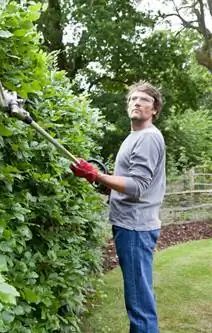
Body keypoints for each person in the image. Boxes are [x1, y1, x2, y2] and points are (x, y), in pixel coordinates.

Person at [70, 81, 166, 333]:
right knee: (140, 295)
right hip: (130, 224)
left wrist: (98, 176)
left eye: (144, 100)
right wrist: (95, 177)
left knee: (138, 303)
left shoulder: (147, 138)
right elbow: (124, 182)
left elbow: (137, 186)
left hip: (135, 227)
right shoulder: (135, 136)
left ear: (154, 109)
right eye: (133, 99)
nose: (136, 102)